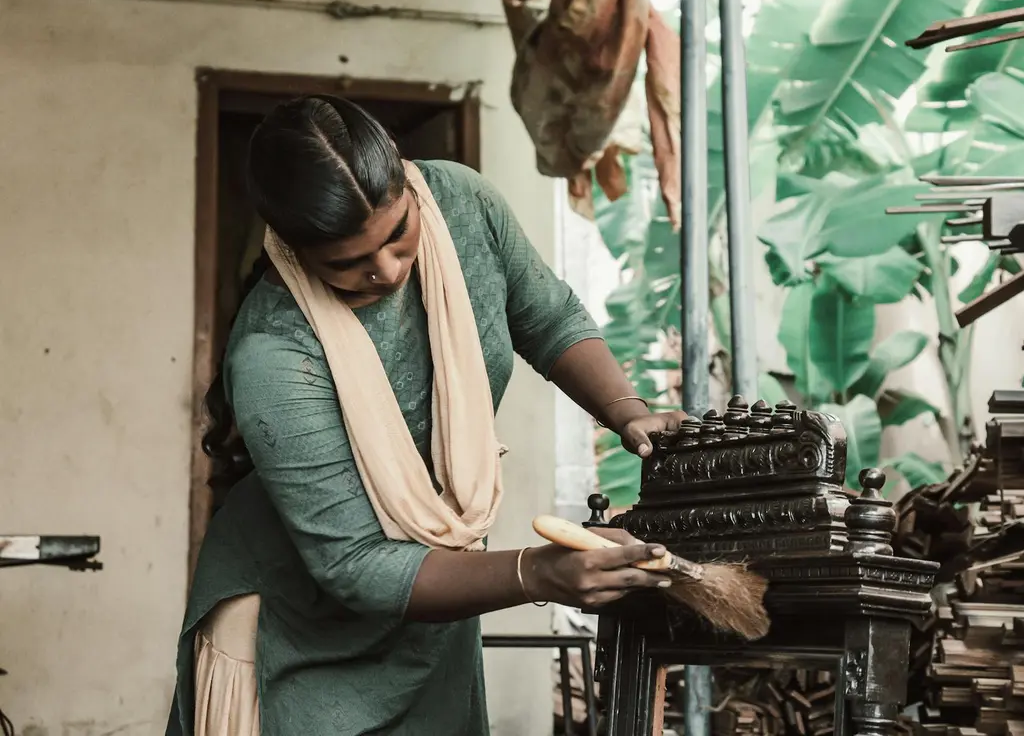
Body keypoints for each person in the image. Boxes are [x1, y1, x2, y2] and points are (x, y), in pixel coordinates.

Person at [166, 94, 687, 736]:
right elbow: (356, 564)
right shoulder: (275, 353)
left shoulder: (462, 203)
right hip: (294, 628)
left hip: (433, 593)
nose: (385, 270)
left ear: (409, 181)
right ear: (294, 252)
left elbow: (545, 316)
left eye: (396, 235)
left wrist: (625, 411)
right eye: (347, 263)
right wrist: (538, 573)